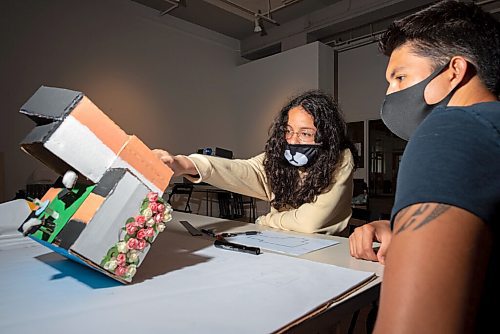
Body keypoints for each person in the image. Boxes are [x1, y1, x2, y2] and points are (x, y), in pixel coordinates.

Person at [349, 1, 499, 332]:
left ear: (454, 71)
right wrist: (403, 233)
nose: (389, 93)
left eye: (400, 77)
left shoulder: (451, 130)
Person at [154, 90, 357, 235]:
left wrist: (267, 220)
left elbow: (311, 223)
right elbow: (245, 170)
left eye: (305, 133)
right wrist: (185, 164)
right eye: (288, 131)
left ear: (326, 136)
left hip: (328, 252)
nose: (293, 140)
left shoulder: (341, 158)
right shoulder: (279, 156)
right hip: (281, 243)